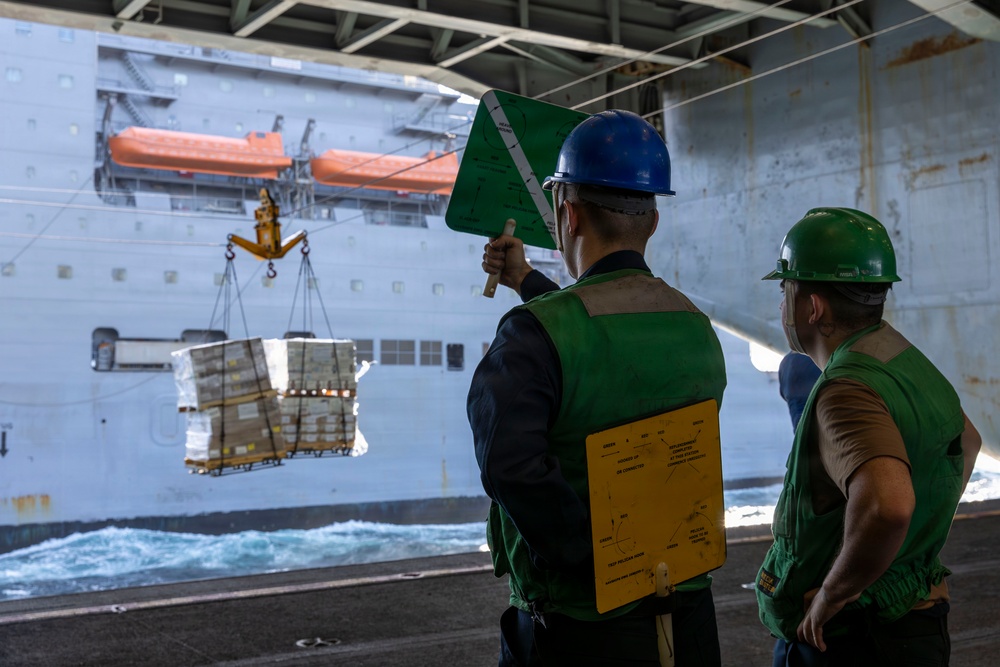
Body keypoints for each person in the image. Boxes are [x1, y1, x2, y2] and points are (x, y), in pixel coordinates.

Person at [467, 109, 728, 666]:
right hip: (686, 615)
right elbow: (608, 337)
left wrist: (602, 562)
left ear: (568, 212)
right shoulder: (695, 326)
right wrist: (528, 282)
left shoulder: (531, 337)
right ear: (652, 221)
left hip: (580, 628)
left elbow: (508, 466)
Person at [755, 207, 983, 666]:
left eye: (786, 290)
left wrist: (832, 596)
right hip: (910, 621)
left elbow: (887, 506)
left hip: (853, 638)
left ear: (813, 307)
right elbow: (968, 442)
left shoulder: (846, 390)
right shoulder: (901, 358)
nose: (782, 306)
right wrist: (911, 541)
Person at [778, 352, 821, 429]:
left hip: (799, 431)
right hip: (821, 427)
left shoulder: (785, 362)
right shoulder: (816, 360)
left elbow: (783, 393)